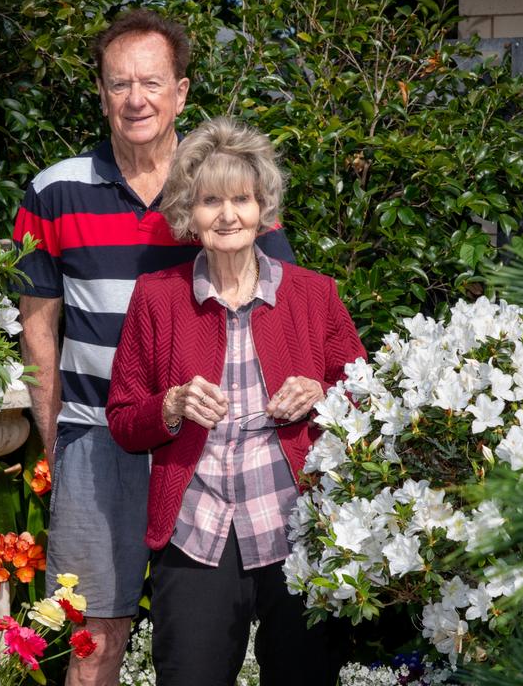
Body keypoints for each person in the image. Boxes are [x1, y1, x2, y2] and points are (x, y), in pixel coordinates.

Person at [13, 12, 295, 685]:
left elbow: (281, 306)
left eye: (151, 82)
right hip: (95, 441)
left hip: (208, 444)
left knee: (214, 632)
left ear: (182, 92)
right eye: (119, 84)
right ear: (102, 94)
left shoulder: (223, 190)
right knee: (94, 633)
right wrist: (60, 442)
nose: (135, 98)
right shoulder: (54, 193)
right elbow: (37, 329)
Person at [106, 117, 366, 686]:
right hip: (196, 531)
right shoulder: (157, 299)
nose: (227, 215)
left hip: (297, 527)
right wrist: (171, 405)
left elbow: (367, 399)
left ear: (263, 208)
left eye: (242, 199)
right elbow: (124, 419)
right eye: (210, 200)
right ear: (187, 214)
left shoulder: (314, 294)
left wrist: (323, 395)